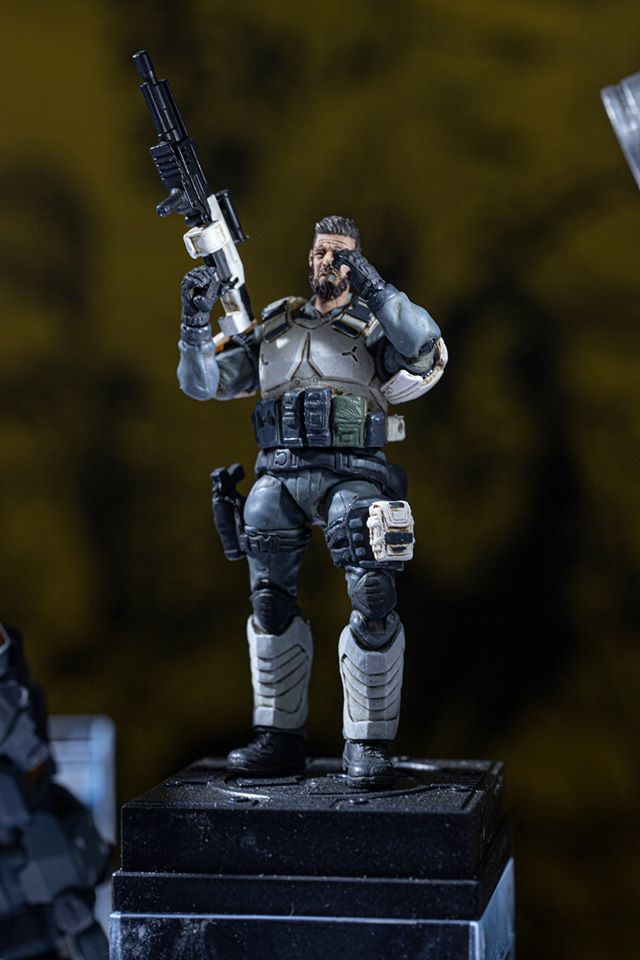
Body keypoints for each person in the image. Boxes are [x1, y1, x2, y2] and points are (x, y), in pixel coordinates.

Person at [177, 215, 447, 786]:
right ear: (309, 257)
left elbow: (424, 346)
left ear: (354, 261)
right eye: (321, 250)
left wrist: (375, 288)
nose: (328, 261)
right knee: (268, 604)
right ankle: (278, 736)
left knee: (373, 594)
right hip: (279, 475)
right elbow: (202, 383)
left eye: (340, 253)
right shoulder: (273, 325)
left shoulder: (372, 326)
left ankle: (367, 741)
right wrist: (193, 323)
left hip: (353, 475)